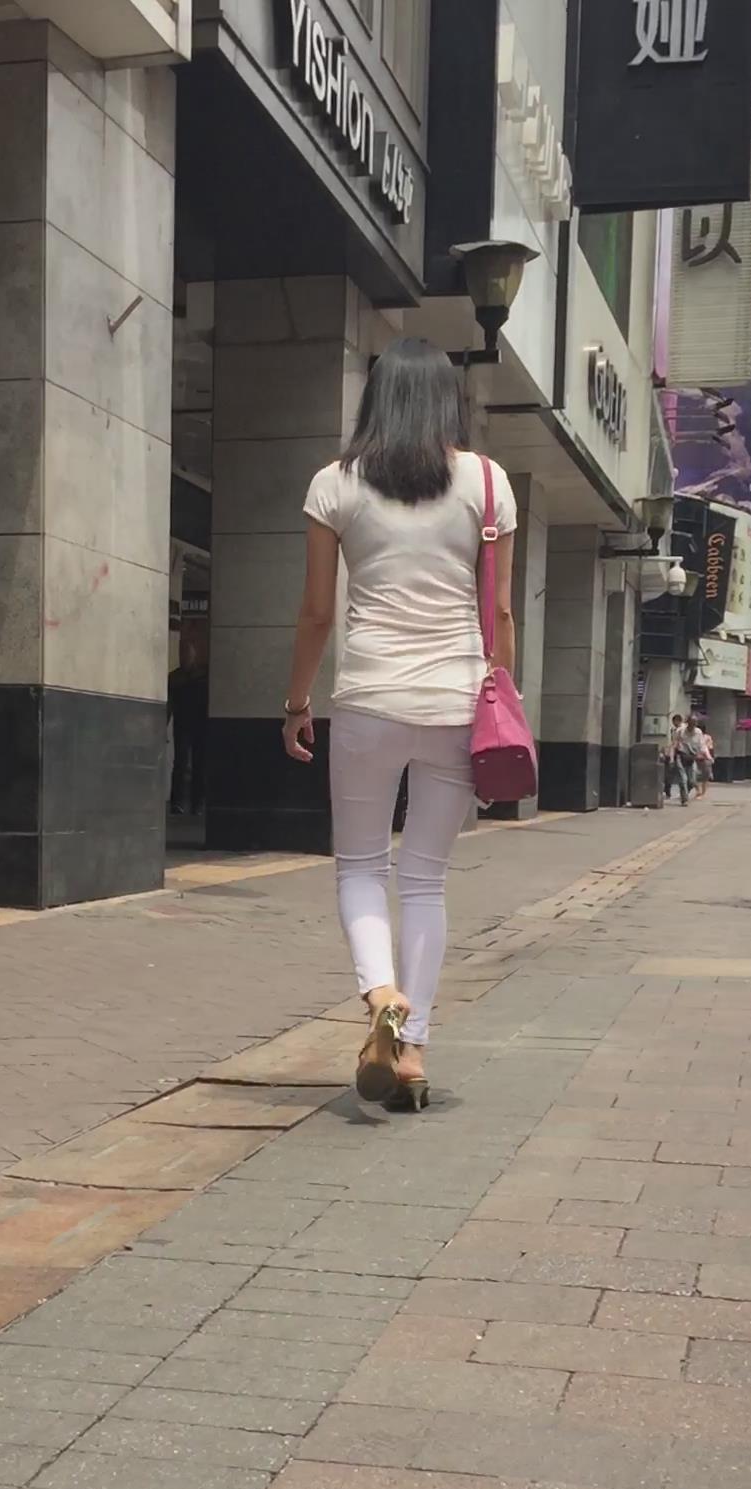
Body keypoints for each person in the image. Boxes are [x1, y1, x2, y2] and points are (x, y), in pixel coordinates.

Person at [282, 337, 517, 1111]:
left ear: (375, 398)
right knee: (424, 879)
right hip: (456, 703)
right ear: (449, 400)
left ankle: (381, 992)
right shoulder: (488, 483)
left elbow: (318, 612)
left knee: (359, 866)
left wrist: (296, 703)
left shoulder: (335, 483)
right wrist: (503, 704)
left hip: (369, 700)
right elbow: (500, 614)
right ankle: (411, 1052)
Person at [168, 611, 208, 816]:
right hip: (185, 723)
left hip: (197, 724)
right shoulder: (180, 678)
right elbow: (169, 702)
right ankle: (181, 802)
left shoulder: (196, 678)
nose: (185, 658)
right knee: (182, 763)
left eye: (187, 654)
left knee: (197, 764)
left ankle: (195, 802)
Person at [662, 714, 689, 807]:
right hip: (679, 755)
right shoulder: (674, 730)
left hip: (686, 755)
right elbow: (674, 744)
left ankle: (683, 794)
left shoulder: (684, 729)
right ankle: (684, 797)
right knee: (682, 777)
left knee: (688, 778)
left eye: (674, 722)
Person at [678, 714, 706, 800]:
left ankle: (686, 791)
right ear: (688, 723)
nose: (692, 725)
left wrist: (702, 754)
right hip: (681, 755)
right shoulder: (681, 731)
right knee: (683, 779)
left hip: (692, 757)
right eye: (691, 723)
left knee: (692, 780)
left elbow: (702, 745)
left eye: (694, 723)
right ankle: (684, 798)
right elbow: (675, 742)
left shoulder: (698, 732)